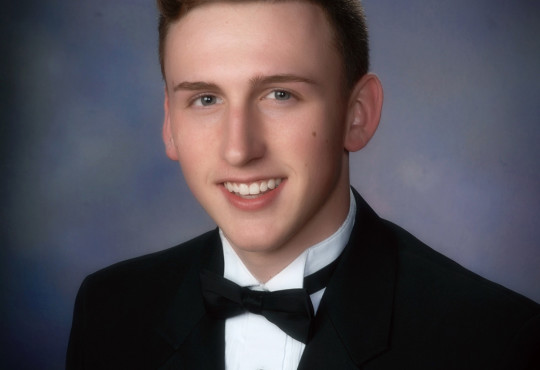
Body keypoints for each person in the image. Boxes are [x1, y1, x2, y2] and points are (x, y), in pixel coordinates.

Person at [66, 0, 540, 369]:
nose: (239, 149)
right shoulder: (109, 310)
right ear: (170, 124)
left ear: (357, 115)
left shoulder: (494, 342)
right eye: (206, 98)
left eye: (280, 94)